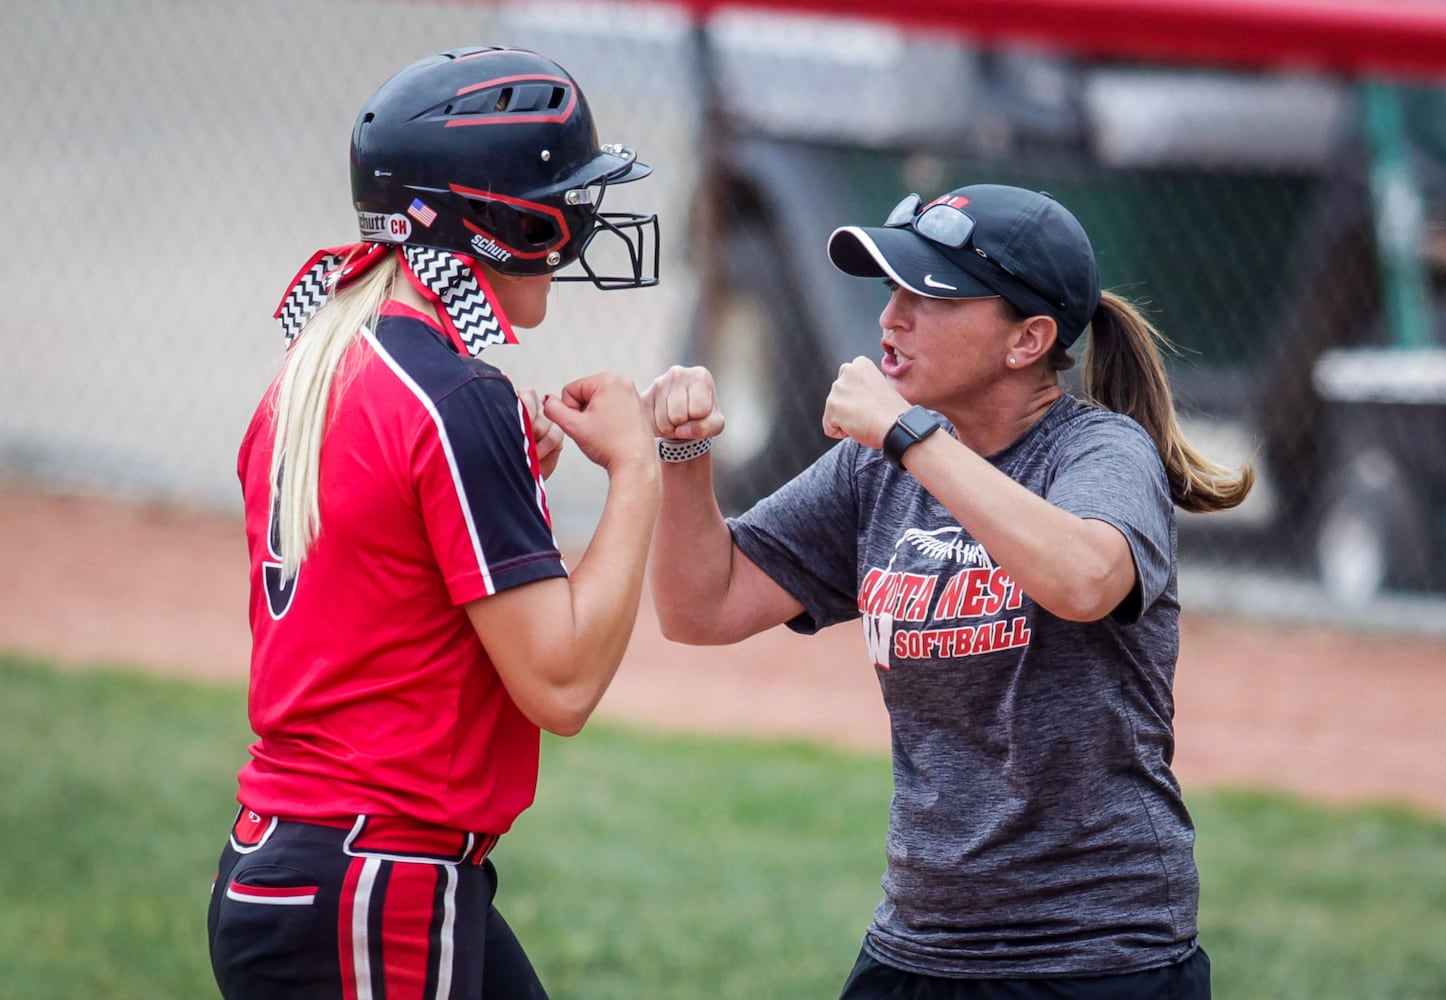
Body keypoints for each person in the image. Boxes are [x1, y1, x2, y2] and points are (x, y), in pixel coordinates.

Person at [643, 183, 1253, 998]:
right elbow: (699, 608)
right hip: (919, 945)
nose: (892, 317)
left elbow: (1082, 579)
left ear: (1027, 339)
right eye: (891, 291)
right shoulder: (876, 467)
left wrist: (904, 433)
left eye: (929, 296)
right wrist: (681, 459)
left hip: (1096, 954)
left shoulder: (1100, 453)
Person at [207, 46, 661, 1000]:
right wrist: (636, 471)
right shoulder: (456, 395)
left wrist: (502, 482)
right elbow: (562, 683)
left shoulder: (322, 364)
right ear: (500, 221)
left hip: (315, 865)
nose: (584, 221)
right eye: (568, 199)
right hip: (374, 882)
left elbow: (390, 573)